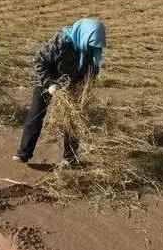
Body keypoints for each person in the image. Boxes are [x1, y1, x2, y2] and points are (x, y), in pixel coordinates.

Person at [12, 18, 107, 164]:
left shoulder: (92, 50)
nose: (91, 48)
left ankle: (70, 158)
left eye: (95, 45)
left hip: (73, 82)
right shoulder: (62, 41)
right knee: (36, 114)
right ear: (85, 35)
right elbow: (39, 61)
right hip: (48, 79)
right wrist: (49, 83)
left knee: (73, 119)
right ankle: (24, 152)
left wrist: (84, 90)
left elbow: (91, 71)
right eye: (90, 43)